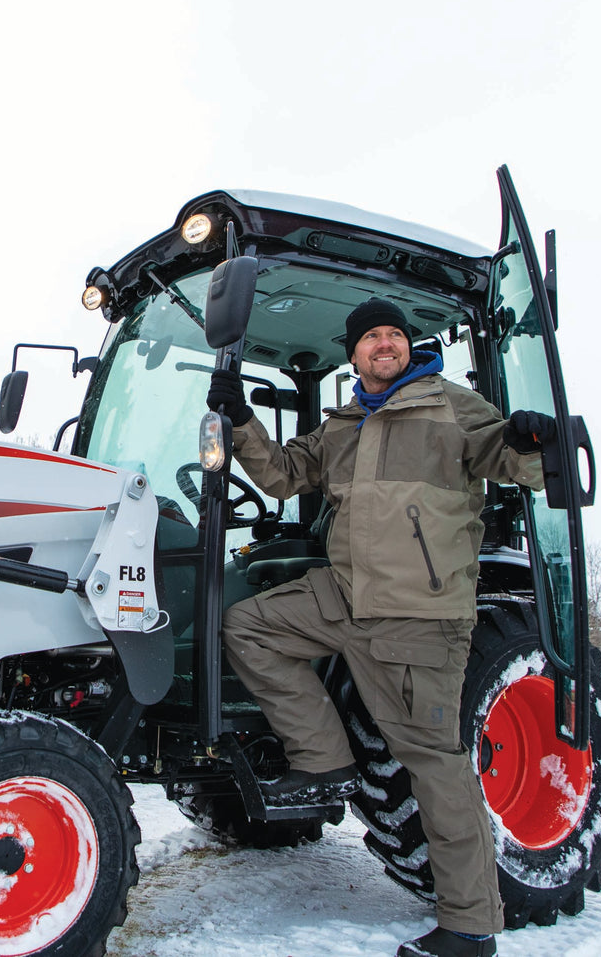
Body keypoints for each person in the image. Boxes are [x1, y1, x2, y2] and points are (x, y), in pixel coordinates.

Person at [205, 298, 556, 957]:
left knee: (432, 763)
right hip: (342, 594)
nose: (384, 343)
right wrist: (241, 417)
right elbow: (281, 476)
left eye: (394, 333)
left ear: (408, 345)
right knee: (249, 625)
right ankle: (324, 760)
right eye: (371, 336)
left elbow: (513, 460)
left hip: (416, 614)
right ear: (354, 352)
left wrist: (535, 438)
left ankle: (471, 925)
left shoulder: (447, 406)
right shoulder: (343, 421)